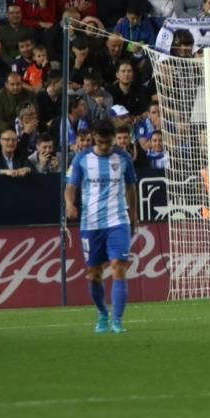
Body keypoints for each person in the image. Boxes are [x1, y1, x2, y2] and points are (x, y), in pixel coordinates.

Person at [65, 120, 138, 334]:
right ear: (94, 139)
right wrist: (69, 204)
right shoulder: (81, 159)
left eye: (108, 142)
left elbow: (131, 189)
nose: (105, 146)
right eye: (101, 142)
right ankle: (103, 314)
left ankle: (117, 320)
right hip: (91, 223)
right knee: (94, 273)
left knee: (118, 267)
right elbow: (70, 187)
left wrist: (133, 217)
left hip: (118, 221)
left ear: (114, 139)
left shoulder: (123, 158)